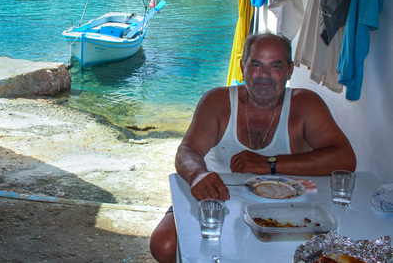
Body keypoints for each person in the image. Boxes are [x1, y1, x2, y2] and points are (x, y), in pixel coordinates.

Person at [149, 32, 357, 263]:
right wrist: (199, 175)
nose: (264, 75)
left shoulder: (306, 104)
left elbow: (345, 159)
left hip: (288, 207)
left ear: (289, 70)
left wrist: (270, 164)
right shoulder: (217, 101)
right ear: (242, 67)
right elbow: (187, 152)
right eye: (256, 64)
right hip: (221, 196)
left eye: (275, 65)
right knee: (164, 245)